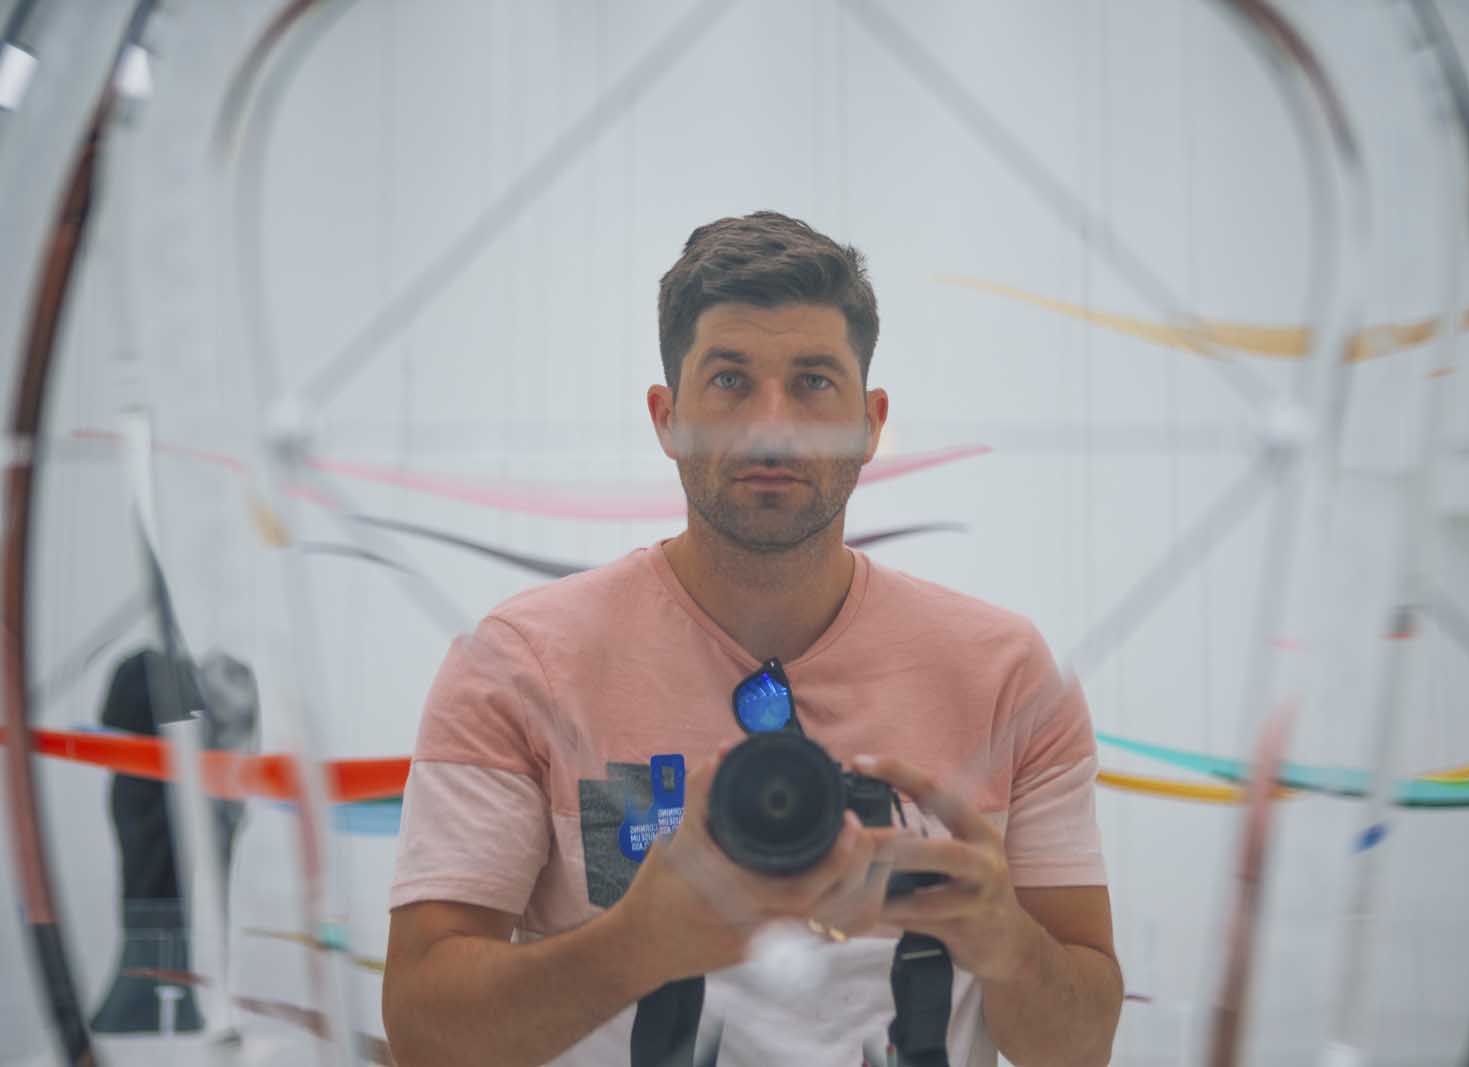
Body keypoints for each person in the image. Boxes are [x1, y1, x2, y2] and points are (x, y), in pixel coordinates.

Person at [382, 211, 1122, 1066]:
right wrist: (637, 942)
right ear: (666, 417)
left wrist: (1005, 941)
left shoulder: (1009, 676)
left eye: (813, 382)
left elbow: (1080, 1047)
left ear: (871, 422)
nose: (772, 427)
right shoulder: (517, 666)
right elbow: (424, 1033)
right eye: (730, 381)